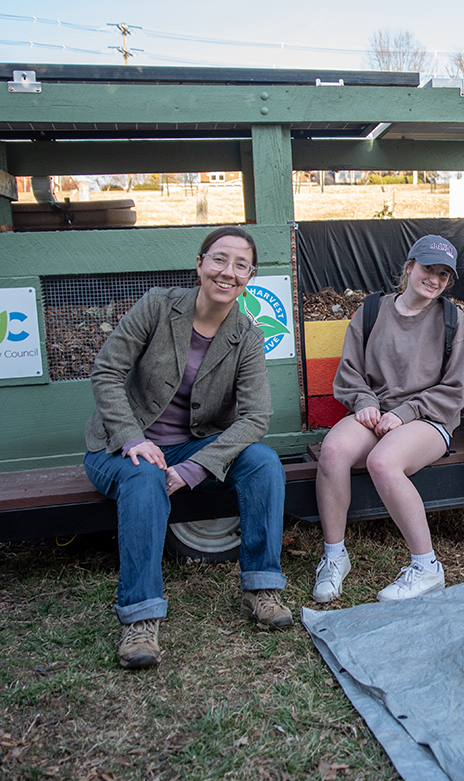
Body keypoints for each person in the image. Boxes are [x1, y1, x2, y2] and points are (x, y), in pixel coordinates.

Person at [84, 226, 292, 671]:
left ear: (249, 277)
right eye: (219, 259)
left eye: (240, 265)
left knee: (264, 462)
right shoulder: (158, 306)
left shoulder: (247, 336)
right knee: (143, 474)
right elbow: (106, 371)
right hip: (118, 448)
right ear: (200, 264)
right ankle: (140, 620)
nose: (227, 272)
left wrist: (197, 467)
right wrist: (133, 438)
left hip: (190, 449)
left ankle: (262, 587)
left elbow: (256, 417)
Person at [311, 235, 464, 603]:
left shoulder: (452, 320)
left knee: (382, 462)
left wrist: (404, 414)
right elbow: (350, 370)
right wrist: (364, 402)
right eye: (428, 268)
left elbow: (454, 390)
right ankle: (335, 557)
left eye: (443, 275)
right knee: (333, 451)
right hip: (376, 412)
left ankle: (427, 567)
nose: (434, 279)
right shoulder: (371, 311)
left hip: (428, 419)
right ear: (410, 267)